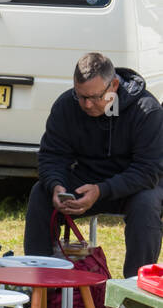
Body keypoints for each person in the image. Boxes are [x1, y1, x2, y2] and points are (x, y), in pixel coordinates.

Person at [24, 52, 163, 277]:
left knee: (146, 206)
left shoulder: (146, 110)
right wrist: (56, 185)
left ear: (114, 85)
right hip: (86, 181)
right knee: (40, 193)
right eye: (80, 96)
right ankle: (39, 285)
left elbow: (148, 171)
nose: (87, 104)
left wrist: (101, 190)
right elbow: (51, 156)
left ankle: (135, 296)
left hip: (136, 186)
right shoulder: (66, 106)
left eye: (96, 97)